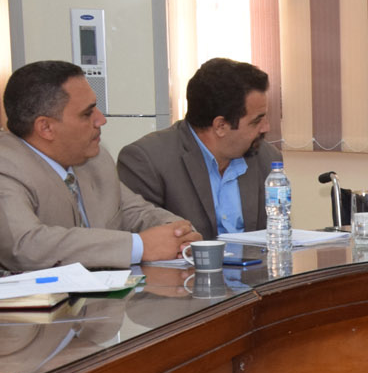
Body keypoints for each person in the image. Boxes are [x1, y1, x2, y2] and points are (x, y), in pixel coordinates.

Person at [0, 60, 198, 272]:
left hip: (102, 299)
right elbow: (25, 247)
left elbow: (135, 212)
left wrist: (178, 233)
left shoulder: (93, 159)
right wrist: (138, 246)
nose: (101, 120)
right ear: (45, 127)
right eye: (87, 113)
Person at [117, 58, 282, 240]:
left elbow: (275, 236)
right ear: (220, 126)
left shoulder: (267, 158)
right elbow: (147, 243)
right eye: (257, 121)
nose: (266, 127)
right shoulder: (146, 161)